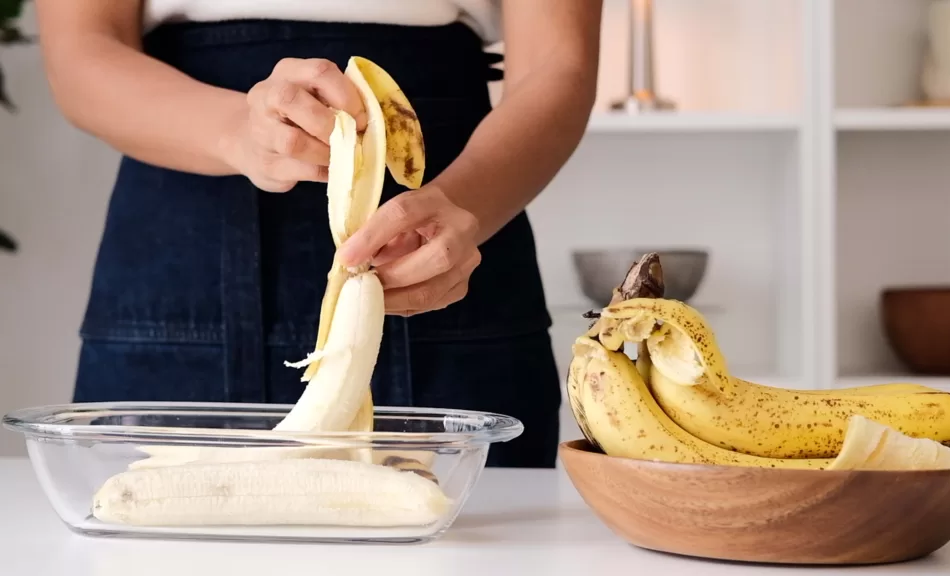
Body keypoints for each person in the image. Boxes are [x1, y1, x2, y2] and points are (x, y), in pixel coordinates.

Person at [35, 0, 601, 468]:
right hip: (183, 244)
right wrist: (237, 131)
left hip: (453, 227)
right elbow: (81, 53)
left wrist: (459, 204)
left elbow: (558, 64)